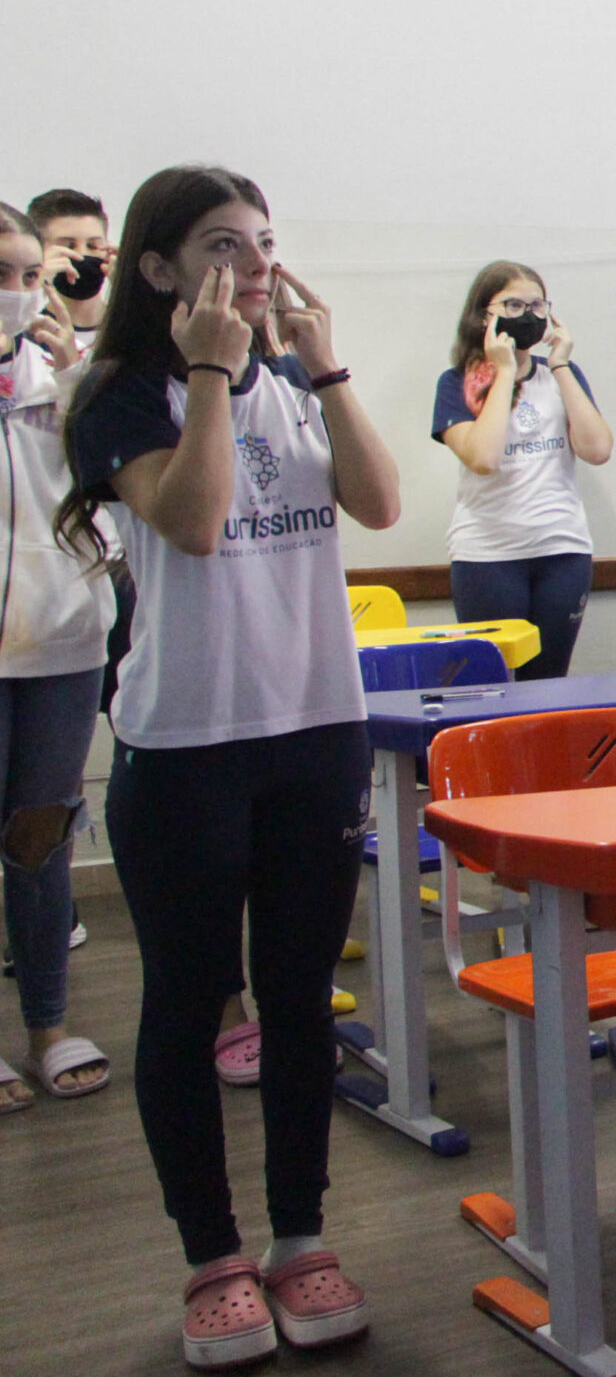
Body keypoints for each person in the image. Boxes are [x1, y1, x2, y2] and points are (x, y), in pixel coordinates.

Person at [59, 165, 399, 1367]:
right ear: (157, 267)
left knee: (299, 1001)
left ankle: (301, 1238)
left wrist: (327, 369)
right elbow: (194, 523)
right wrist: (211, 373)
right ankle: (212, 1256)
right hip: (184, 748)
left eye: (263, 241)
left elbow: (380, 504)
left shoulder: (297, 385)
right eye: (222, 245)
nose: (257, 264)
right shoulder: (119, 396)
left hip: (316, 730)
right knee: (188, 1001)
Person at [0, 202, 116, 1112]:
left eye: (27, 274)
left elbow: (116, 486)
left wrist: (76, 378)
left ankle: (47, 1023)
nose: (18, 291)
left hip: (62, 641)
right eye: (1, 274)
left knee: (40, 840)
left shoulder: (67, 373)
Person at [432, 262, 613, 679]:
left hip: (562, 551)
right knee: (493, 685)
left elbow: (598, 449)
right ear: (485, 315)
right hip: (487, 557)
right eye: (513, 305)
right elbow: (484, 458)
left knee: (548, 683)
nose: (528, 315)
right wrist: (504, 373)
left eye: (537, 305)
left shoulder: (561, 376)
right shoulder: (457, 383)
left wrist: (561, 365)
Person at [27, 188, 115, 343]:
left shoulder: (131, 327)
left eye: (93, 246)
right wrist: (34, 285)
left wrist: (129, 289)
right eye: (68, 246)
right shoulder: (23, 332)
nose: (81, 255)